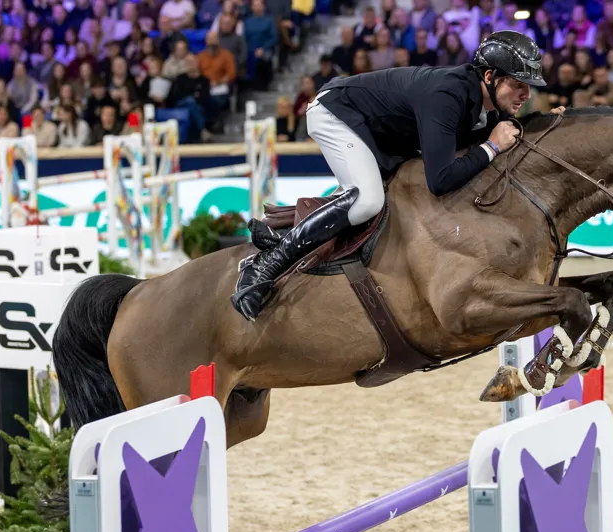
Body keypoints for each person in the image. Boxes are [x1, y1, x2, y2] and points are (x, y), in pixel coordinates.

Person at [231, 30, 552, 321]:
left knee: (387, 194)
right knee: (368, 200)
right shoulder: (448, 95)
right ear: (489, 76)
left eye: (528, 87)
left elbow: (492, 137)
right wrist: (492, 148)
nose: (525, 93)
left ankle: (284, 237)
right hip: (337, 114)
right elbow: (441, 180)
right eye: (518, 84)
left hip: (377, 130)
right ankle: (267, 263)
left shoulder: (480, 99)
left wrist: (545, 123)